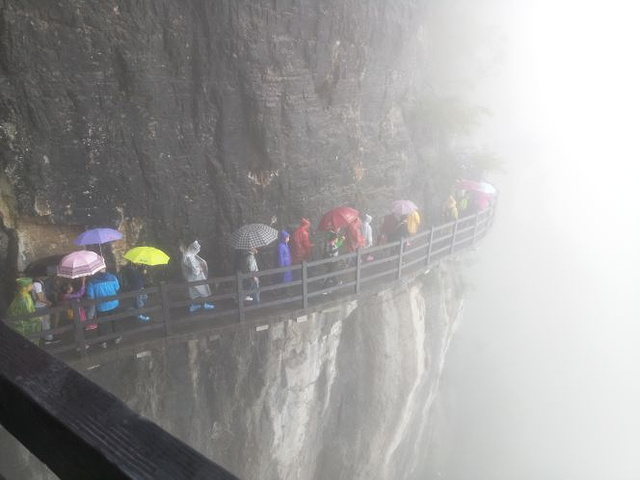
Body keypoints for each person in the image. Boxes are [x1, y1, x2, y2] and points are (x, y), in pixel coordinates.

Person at [86, 267, 122, 348]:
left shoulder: (91, 281)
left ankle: (103, 342)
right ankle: (117, 337)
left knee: (102, 324)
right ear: (105, 268)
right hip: (113, 304)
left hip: (101, 307)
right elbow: (117, 288)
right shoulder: (113, 277)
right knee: (115, 321)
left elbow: (90, 296)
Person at [180, 240, 215, 313]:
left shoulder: (190, 255)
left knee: (197, 292)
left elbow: (198, 263)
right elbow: (194, 270)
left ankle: (200, 304)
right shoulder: (189, 256)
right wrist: (201, 268)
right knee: (200, 291)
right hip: (195, 278)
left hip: (195, 278)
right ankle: (197, 305)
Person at [32, 276, 55, 344]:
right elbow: (40, 298)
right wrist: (48, 302)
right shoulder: (37, 284)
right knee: (45, 322)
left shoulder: (37, 283)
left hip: (39, 305)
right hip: (40, 306)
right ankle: (48, 339)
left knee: (42, 322)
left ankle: (42, 337)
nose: (46, 276)